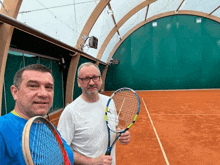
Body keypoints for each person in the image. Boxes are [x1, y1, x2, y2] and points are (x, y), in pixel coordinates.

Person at [57, 62, 131, 165]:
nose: (91, 82)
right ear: (79, 82)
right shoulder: (70, 112)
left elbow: (114, 125)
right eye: (86, 79)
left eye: (95, 77)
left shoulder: (109, 102)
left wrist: (120, 133)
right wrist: (93, 162)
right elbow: (62, 149)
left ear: (100, 79)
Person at [0, 64, 74, 165]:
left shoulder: (48, 126)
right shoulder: (2, 129)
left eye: (49, 87)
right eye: (33, 86)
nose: (44, 94)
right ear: (15, 92)